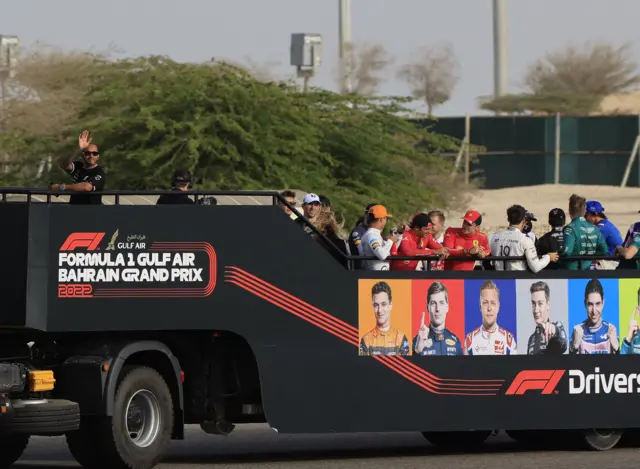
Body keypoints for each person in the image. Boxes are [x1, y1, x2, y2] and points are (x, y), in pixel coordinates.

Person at [488, 204, 557, 272]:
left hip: (497, 279)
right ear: (524, 220)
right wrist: (548, 257)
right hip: (517, 280)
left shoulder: (492, 237)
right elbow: (536, 267)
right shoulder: (526, 240)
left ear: (508, 219)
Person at [51, 129, 106, 204]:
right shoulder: (78, 166)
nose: (91, 156)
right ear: (83, 155)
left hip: (92, 212)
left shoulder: (99, 172)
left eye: (94, 153)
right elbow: (63, 164)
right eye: (87, 153)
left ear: (98, 157)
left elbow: (87, 187)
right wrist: (78, 149)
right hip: (74, 209)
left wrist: (62, 187)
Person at [464, 280, 517, 355]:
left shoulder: (509, 341)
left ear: (498, 306)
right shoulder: (470, 341)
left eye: (493, 303)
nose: (489, 308)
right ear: (480, 306)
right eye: (485, 303)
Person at [359, 281, 409, 356]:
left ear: (390, 305)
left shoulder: (401, 338)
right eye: (376, 305)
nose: (379, 310)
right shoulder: (366, 340)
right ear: (373, 306)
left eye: (383, 304)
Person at [569, 278, 619, 354]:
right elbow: (569, 364)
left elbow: (620, 365)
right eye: (590, 304)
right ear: (585, 304)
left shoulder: (611, 330)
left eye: (598, 304)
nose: (594, 311)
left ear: (603, 303)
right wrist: (575, 347)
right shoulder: (577, 331)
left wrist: (617, 349)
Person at [412, 281, 462, 356]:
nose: (437, 309)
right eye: (433, 303)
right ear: (427, 307)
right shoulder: (417, 341)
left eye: (441, 303)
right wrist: (417, 352)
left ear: (447, 306)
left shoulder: (456, 342)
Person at [560, 194, 608, 270]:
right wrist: (590, 256)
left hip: (570, 272)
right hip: (588, 270)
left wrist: (556, 254)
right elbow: (604, 250)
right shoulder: (595, 228)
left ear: (569, 210)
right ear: (585, 211)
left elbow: (566, 252)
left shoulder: (570, 228)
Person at [526, 281, 568, 355]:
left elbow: (563, 343)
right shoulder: (531, 338)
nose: (536, 310)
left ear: (548, 305)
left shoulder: (556, 328)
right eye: (533, 304)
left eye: (540, 304)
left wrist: (555, 331)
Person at [584, 200, 623, 270]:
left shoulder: (602, 228)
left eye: (586, 215)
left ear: (595, 214)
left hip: (612, 263)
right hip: (609, 260)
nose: (584, 218)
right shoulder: (606, 224)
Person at [358, 205, 398, 271]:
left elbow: (386, 251)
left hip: (378, 275)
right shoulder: (371, 235)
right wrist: (390, 241)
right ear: (381, 219)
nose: (386, 221)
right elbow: (382, 255)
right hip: (374, 277)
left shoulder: (373, 235)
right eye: (386, 218)